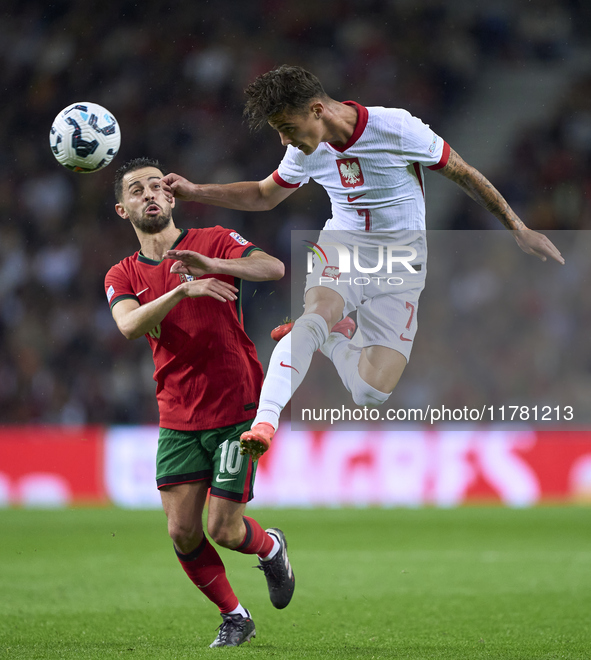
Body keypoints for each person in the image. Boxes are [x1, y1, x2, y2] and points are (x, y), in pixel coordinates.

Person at [160, 65, 565, 461]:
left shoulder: (395, 127)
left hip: (401, 260)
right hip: (343, 245)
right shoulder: (304, 150)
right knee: (317, 313)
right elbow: (265, 196)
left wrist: (517, 227)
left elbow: (463, 173)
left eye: (288, 128)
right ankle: (266, 424)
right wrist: (195, 190)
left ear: (317, 110)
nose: (285, 140)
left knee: (371, 392)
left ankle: (333, 337)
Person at [104, 157, 294, 649]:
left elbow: (271, 267)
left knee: (224, 530)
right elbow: (128, 325)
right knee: (183, 532)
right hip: (177, 415)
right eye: (135, 190)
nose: (148, 194)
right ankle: (235, 615)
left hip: (235, 407)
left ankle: (270, 547)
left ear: (171, 198)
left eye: (156, 186)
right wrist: (184, 290)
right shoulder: (123, 273)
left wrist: (214, 265)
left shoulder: (212, 239)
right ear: (123, 209)